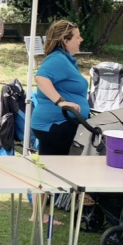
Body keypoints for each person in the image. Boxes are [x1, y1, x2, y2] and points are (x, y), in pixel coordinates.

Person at [31, 20, 90, 155]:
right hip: (55, 124)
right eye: (77, 37)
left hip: (60, 123)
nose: (81, 39)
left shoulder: (64, 59)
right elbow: (41, 78)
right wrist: (61, 102)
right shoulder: (57, 59)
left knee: (54, 169)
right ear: (66, 40)